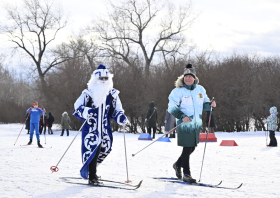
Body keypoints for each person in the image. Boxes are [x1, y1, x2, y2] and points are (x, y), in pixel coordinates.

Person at [73, 64, 128, 185]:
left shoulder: (113, 94)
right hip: (91, 129)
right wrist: (86, 111)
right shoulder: (88, 93)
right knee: (93, 149)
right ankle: (92, 176)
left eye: (105, 78)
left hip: (104, 128)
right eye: (101, 78)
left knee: (104, 149)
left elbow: (117, 109)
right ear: (95, 79)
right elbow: (77, 106)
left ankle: (92, 172)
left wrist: (121, 117)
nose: (103, 81)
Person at [168, 64, 216, 183]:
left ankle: (177, 164)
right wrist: (182, 116)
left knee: (192, 147)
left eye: (190, 76)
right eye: (186, 76)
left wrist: (210, 105)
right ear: (183, 78)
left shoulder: (200, 90)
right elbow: (171, 108)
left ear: (194, 78)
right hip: (184, 123)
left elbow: (204, 104)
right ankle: (187, 174)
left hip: (196, 123)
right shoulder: (177, 91)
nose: (188, 78)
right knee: (187, 147)